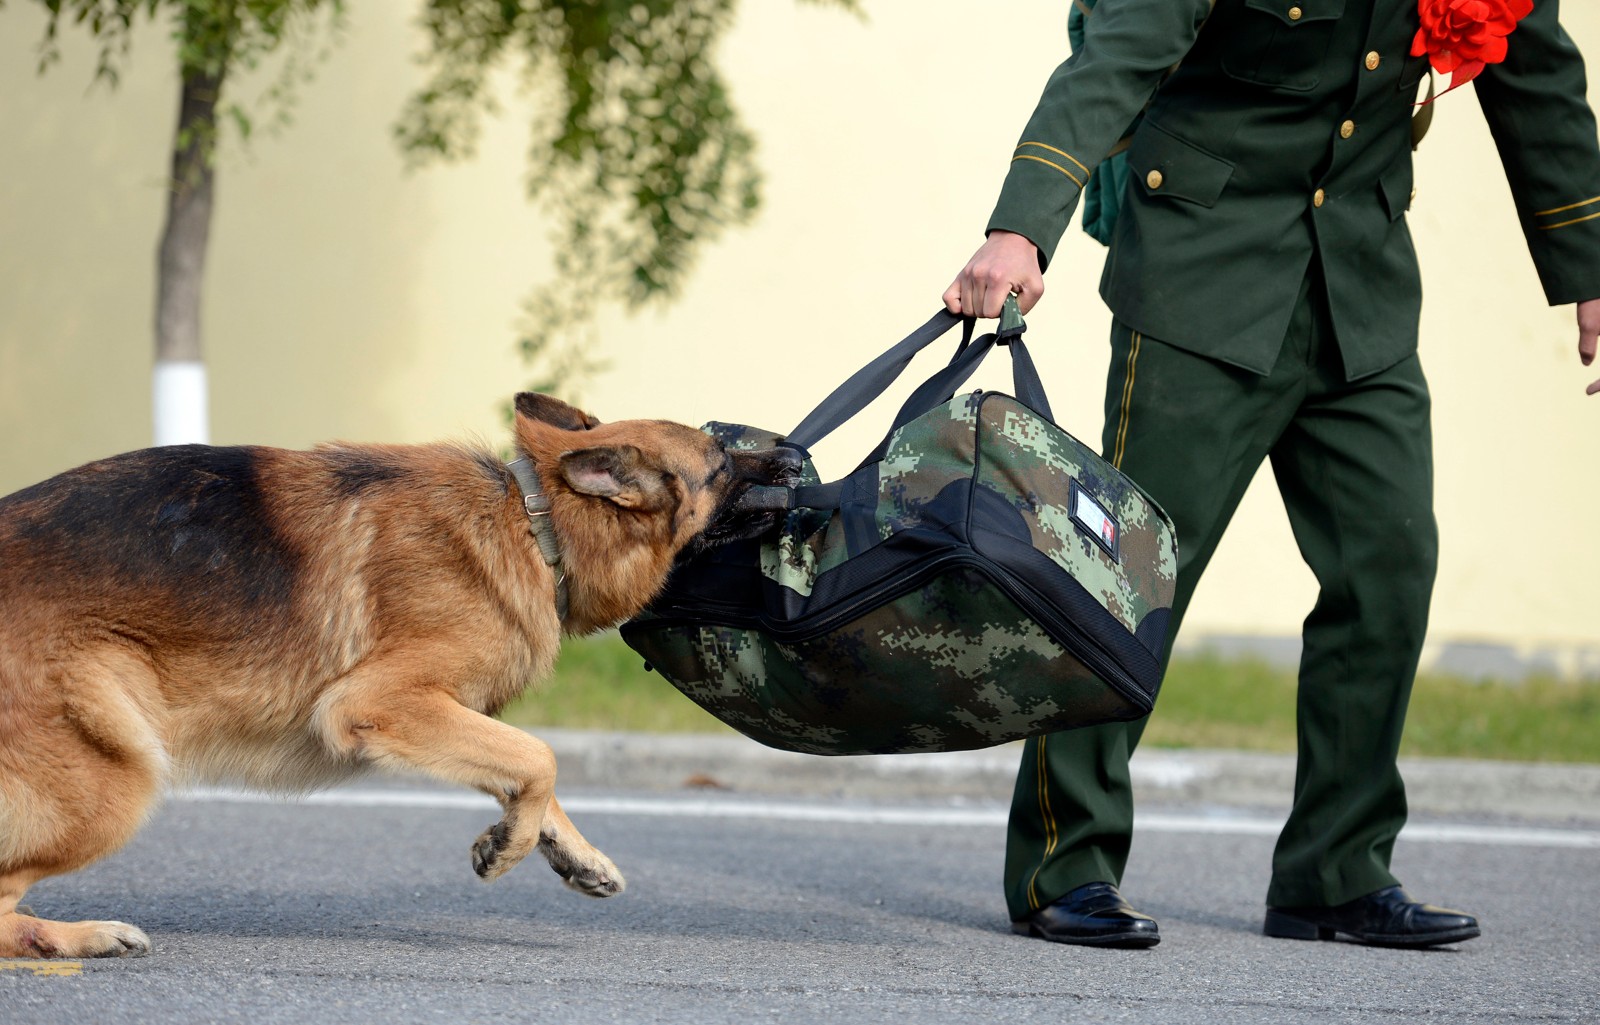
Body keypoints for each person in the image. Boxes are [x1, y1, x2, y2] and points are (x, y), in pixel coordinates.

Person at [944, 0, 1600, 949]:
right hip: (1202, 276)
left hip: (1359, 287)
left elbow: (1535, 77)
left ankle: (1335, 873)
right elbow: (1114, 64)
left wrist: (1587, 263)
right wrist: (1020, 229)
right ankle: (1064, 865)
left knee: (1389, 571)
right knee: (1126, 575)